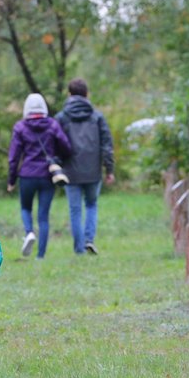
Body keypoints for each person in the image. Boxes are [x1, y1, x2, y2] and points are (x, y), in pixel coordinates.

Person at [7, 93, 72, 258]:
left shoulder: (20, 127)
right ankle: (40, 256)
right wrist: (57, 158)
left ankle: (29, 232)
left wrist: (11, 180)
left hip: (27, 175)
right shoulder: (53, 124)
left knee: (25, 207)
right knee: (43, 216)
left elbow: (14, 157)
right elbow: (66, 147)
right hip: (47, 176)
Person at [55, 78, 114, 255]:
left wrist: (55, 167)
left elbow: (54, 145)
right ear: (87, 94)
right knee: (91, 205)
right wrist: (109, 169)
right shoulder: (97, 116)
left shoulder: (61, 118)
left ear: (69, 94)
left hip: (70, 171)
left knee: (75, 210)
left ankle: (79, 248)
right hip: (93, 170)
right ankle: (89, 240)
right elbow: (106, 144)